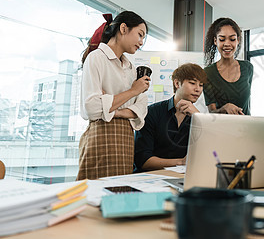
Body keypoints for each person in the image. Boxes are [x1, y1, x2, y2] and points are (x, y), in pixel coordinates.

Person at [77, 11, 150, 180]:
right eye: (140, 35)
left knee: (120, 195)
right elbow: (92, 108)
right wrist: (132, 91)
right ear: (123, 28)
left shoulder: (130, 67)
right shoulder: (96, 58)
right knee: (95, 194)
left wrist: (111, 109)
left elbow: (141, 108)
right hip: (100, 137)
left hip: (126, 139)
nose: (141, 42)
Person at [134, 63, 207, 171]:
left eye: (201, 85)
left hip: (184, 179)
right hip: (151, 178)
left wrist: (199, 118)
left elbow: (208, 155)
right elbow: (143, 161)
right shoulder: (152, 112)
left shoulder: (198, 117)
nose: (198, 89)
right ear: (177, 83)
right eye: (192, 83)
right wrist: (181, 162)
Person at [203, 18, 253, 115]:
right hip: (222, 127)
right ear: (215, 41)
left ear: (238, 40)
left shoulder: (248, 67)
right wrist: (224, 108)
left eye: (232, 39)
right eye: (222, 39)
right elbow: (212, 111)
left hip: (246, 126)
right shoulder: (207, 73)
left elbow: (247, 103)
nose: (227, 44)